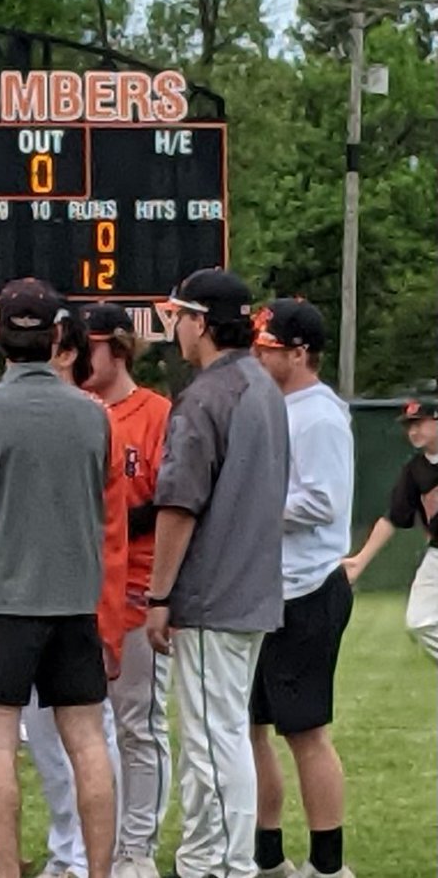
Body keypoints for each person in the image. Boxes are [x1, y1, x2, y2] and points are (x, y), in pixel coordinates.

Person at [0, 279, 117, 878]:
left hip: (0, 598)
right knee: (88, 742)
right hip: (73, 600)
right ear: (58, 337)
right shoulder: (94, 417)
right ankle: (100, 871)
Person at [146, 269, 289, 878]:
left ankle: (231, 866)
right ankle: (205, 859)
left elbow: (180, 504)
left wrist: (158, 595)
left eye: (179, 315)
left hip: (213, 595)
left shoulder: (206, 395)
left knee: (213, 742)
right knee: (220, 733)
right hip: (253, 587)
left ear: (201, 322)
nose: (173, 326)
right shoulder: (263, 385)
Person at [250, 299, 356, 878]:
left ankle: (328, 865)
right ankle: (267, 857)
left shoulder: (318, 414)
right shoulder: (280, 407)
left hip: (307, 587)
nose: (260, 354)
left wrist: (249, 505)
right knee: (251, 727)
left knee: (306, 731)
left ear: (300, 352)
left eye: (270, 347)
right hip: (271, 589)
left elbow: (323, 501)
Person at [20, 310, 127, 878]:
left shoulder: (96, 419)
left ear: (66, 354)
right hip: (25, 601)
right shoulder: (11, 416)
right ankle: (68, 851)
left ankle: (92, 859)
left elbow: (110, 534)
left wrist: (107, 620)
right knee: (44, 742)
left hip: (79, 602)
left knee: (90, 738)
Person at [80, 303, 173, 878]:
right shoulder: (72, 411)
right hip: (78, 590)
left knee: (137, 723)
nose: (74, 356)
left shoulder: (157, 412)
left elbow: (167, 503)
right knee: (85, 729)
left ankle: (136, 847)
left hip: (137, 583)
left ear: (117, 347)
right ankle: (89, 848)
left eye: (85, 345)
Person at [343, 398, 438, 661]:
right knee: (420, 621)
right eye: (409, 426)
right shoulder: (415, 470)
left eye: (419, 423)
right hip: (436, 554)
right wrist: (360, 560)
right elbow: (392, 518)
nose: (413, 431)